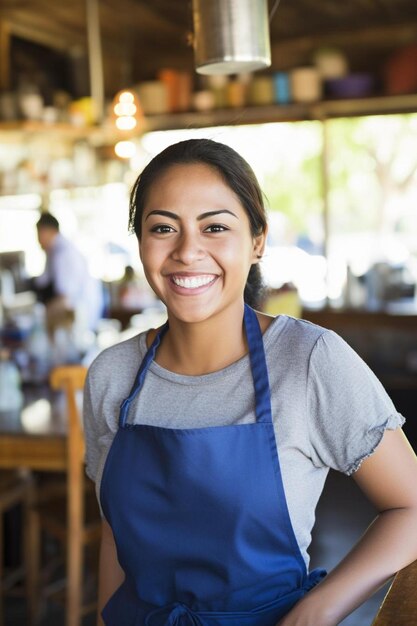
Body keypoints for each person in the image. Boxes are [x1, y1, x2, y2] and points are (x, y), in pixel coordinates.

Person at [84, 139, 417, 626]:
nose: (187, 251)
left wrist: (315, 611)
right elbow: (115, 534)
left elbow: (411, 507)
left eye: (215, 227)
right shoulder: (112, 376)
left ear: (258, 240)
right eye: (163, 228)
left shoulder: (308, 361)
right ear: (141, 242)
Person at [33, 212, 103, 332]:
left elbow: (64, 299)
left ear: (48, 231)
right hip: (80, 315)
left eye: (39, 234)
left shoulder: (63, 254)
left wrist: (40, 317)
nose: (38, 240)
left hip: (82, 320)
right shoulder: (54, 251)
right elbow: (42, 281)